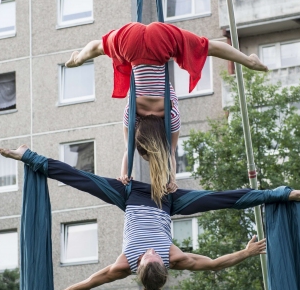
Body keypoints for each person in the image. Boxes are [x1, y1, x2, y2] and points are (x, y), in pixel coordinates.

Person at [0, 145, 300, 290]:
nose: (149, 251)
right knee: (221, 198)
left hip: (130, 196)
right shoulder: (175, 258)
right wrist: (246, 253)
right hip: (166, 201)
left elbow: (88, 283)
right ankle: (281, 194)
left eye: (145, 256)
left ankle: (29, 156)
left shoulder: (124, 265)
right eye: (153, 254)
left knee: (83, 181)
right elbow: (213, 264)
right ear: (162, 261)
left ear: (138, 266)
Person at [64, 22, 269, 192]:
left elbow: (170, 151)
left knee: (207, 47)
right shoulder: (132, 114)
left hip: (161, 41)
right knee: (99, 47)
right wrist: (124, 175)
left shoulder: (170, 115)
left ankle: (249, 61)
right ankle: (78, 57)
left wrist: (172, 179)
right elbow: (129, 149)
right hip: (131, 44)